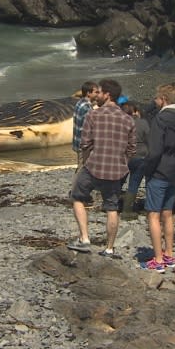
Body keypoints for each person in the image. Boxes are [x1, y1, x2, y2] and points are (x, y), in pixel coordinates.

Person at [67, 79, 136, 258]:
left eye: (99, 93)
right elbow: (132, 148)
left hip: (94, 166)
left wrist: (88, 159)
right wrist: (123, 162)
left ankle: (84, 238)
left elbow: (85, 142)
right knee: (112, 208)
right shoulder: (128, 120)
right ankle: (109, 248)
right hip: (116, 170)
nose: (97, 96)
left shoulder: (94, 115)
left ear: (107, 95)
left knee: (77, 197)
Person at [143, 84, 175, 273]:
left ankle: (158, 258)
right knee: (168, 213)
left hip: (160, 169)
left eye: (156, 98)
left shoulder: (160, 118)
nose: (154, 102)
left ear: (163, 99)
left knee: (153, 214)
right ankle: (169, 253)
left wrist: (148, 169)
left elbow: (155, 150)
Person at [121, 100, 149, 219]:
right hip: (140, 156)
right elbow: (149, 139)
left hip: (123, 156)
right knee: (134, 183)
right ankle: (127, 211)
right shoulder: (142, 123)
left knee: (118, 181)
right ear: (135, 111)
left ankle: (110, 205)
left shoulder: (120, 123)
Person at [72, 81, 99, 168]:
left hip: (78, 143)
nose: (98, 94)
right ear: (88, 93)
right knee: (82, 169)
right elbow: (91, 128)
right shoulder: (87, 107)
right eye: (96, 92)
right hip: (84, 146)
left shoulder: (79, 102)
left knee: (81, 167)